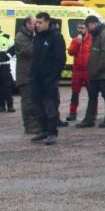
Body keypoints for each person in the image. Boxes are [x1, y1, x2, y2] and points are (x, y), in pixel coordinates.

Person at [30, 13, 66, 145]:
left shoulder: (55, 37)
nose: (37, 25)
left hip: (49, 79)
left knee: (50, 105)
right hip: (36, 79)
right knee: (37, 105)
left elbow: (60, 59)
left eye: (40, 22)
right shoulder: (38, 37)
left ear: (47, 22)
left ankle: (52, 132)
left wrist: (52, 77)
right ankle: (43, 130)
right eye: (36, 22)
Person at [76, 16, 105, 128]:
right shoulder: (95, 35)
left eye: (88, 26)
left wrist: (97, 69)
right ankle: (89, 119)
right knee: (92, 96)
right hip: (94, 73)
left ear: (94, 24)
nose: (87, 29)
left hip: (102, 74)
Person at [14, 17, 41, 134]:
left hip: (33, 75)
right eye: (35, 23)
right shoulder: (20, 37)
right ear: (28, 24)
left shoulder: (31, 36)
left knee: (35, 101)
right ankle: (29, 126)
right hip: (25, 75)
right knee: (28, 102)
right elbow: (29, 51)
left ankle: (36, 124)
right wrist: (37, 38)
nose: (37, 26)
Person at [65, 23, 91, 122]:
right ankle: (72, 113)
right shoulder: (75, 40)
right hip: (77, 70)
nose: (80, 30)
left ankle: (92, 112)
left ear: (87, 29)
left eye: (82, 28)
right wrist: (77, 42)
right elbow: (71, 52)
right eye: (79, 28)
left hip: (88, 70)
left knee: (91, 93)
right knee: (75, 93)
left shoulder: (91, 40)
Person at [0, 32, 14, 112]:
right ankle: (1, 106)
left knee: (7, 86)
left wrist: (8, 56)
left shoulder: (7, 36)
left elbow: (14, 47)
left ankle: (10, 106)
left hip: (5, 66)